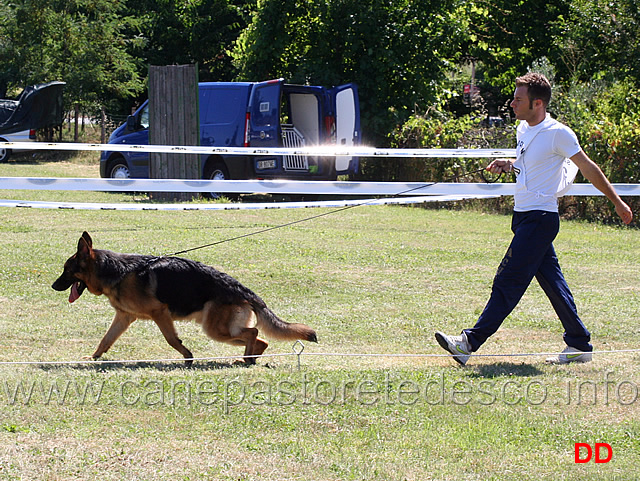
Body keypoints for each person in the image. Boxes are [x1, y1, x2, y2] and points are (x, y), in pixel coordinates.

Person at [435, 72, 633, 366]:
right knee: (554, 284)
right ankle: (579, 343)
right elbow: (530, 166)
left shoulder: (559, 134)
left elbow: (589, 168)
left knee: (508, 279)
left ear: (538, 103)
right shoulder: (524, 130)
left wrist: (617, 202)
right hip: (523, 217)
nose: (512, 103)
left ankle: (468, 342)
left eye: (518, 99)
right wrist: (509, 164)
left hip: (541, 219)